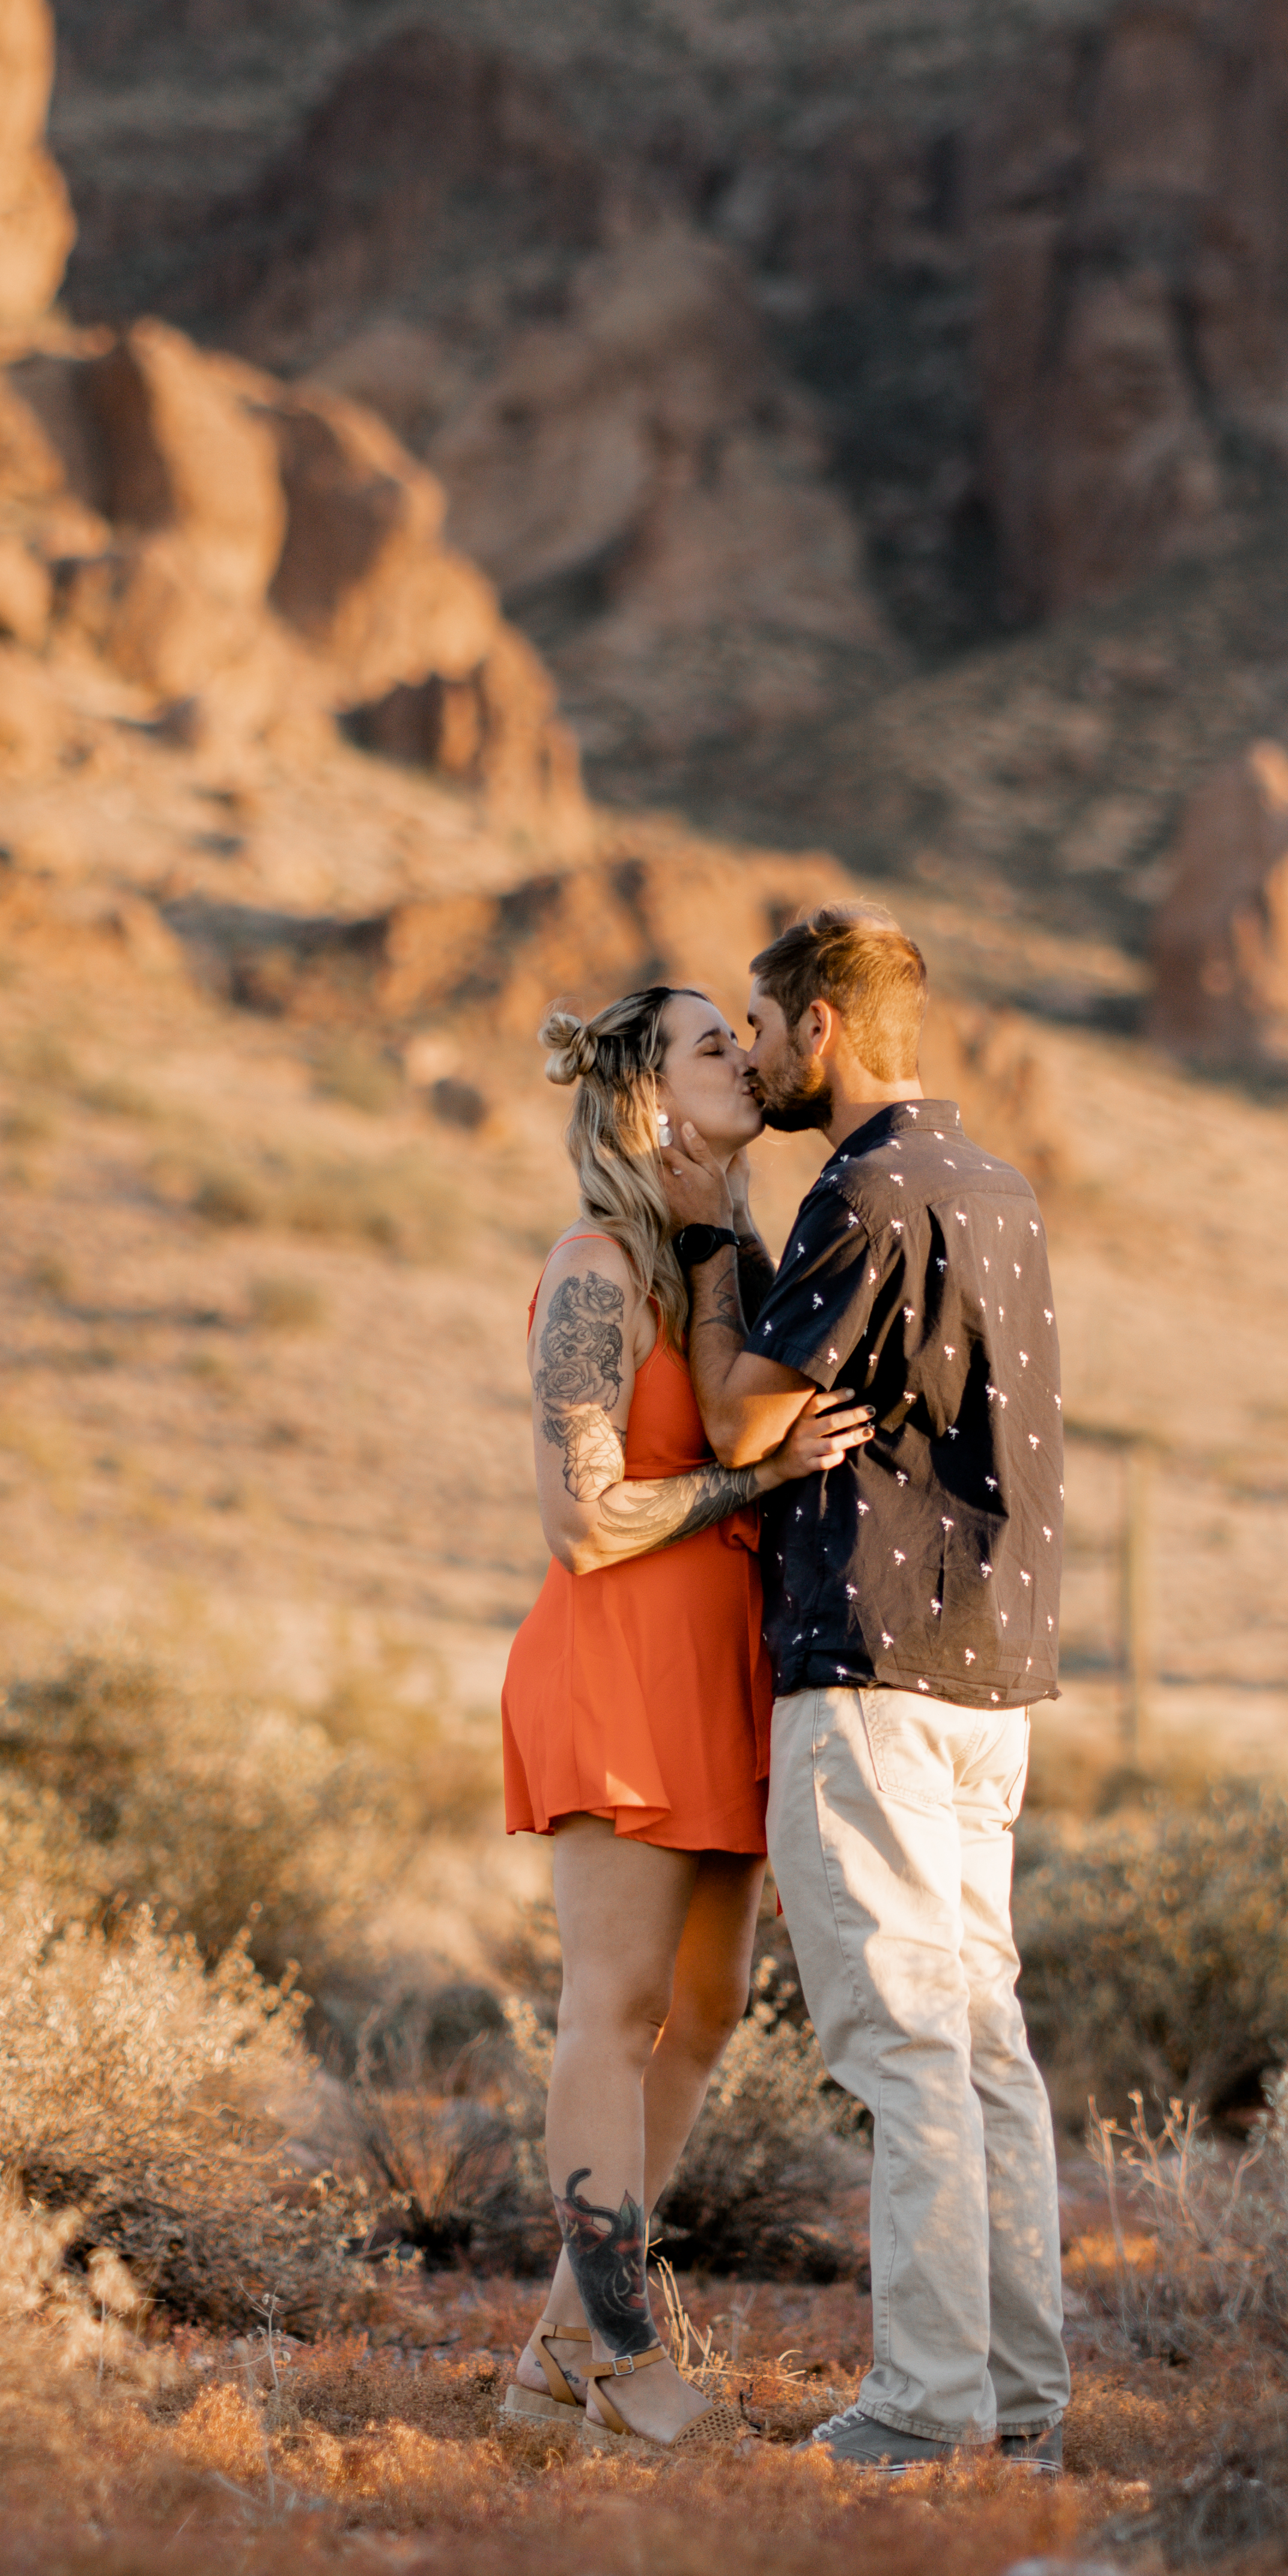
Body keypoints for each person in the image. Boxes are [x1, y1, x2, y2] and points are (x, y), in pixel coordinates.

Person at [669, 907, 1069, 2472]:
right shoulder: (998, 1185)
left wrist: (711, 1243)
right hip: (992, 1683)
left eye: (762, 1032)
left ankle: (920, 2408)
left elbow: (743, 1419)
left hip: (873, 1671)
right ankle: (1017, 2399)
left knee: (906, 2049)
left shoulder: (869, 1184)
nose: (755, 1058)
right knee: (980, 2044)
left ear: (819, 1028)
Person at [497, 981, 870, 2451]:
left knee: (704, 2017)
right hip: (622, 1657)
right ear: (649, 1092)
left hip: (727, 1664)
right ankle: (627, 2362)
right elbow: (583, 1520)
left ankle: (549, 2368)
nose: (748, 1054)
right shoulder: (595, 1268)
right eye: (714, 1041)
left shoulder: (713, 1265)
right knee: (614, 2011)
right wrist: (762, 1484)